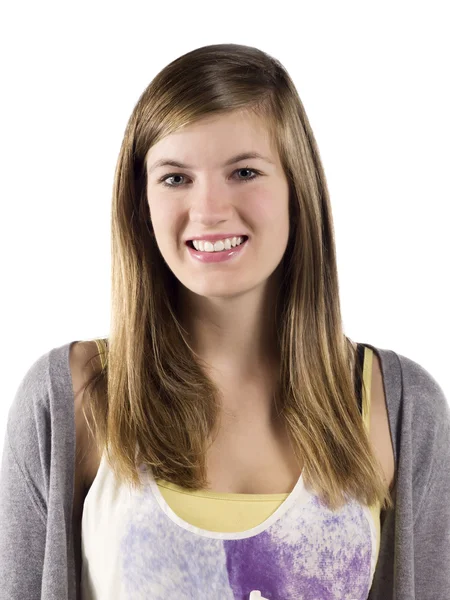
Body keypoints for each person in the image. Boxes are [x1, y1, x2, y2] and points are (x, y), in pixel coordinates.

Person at [0, 43, 449, 600]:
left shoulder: (401, 408)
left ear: (297, 192)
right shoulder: (70, 399)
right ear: (140, 203)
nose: (209, 209)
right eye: (175, 178)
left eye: (243, 171)